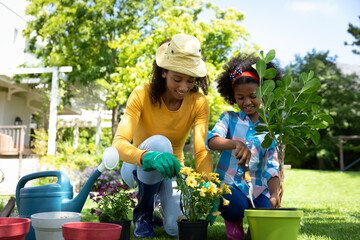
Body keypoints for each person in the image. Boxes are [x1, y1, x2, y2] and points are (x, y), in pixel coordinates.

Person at [112, 34, 213, 238]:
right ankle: (143, 213)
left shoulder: (199, 102)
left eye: (190, 80)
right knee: (160, 143)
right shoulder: (141, 94)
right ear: (164, 72)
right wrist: (147, 156)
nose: (184, 87)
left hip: (172, 171)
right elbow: (118, 144)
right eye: (177, 79)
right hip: (137, 166)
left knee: (176, 229)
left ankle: (160, 208)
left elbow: (201, 150)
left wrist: (208, 184)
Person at [205, 54, 281, 240]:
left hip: (258, 187)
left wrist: (273, 193)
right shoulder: (229, 118)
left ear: (264, 93)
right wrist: (235, 143)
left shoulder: (270, 127)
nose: (247, 102)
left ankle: (254, 229)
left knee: (266, 214)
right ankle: (233, 220)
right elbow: (211, 140)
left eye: (253, 96)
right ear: (233, 97)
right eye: (240, 98)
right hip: (230, 184)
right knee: (234, 207)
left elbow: (272, 166)